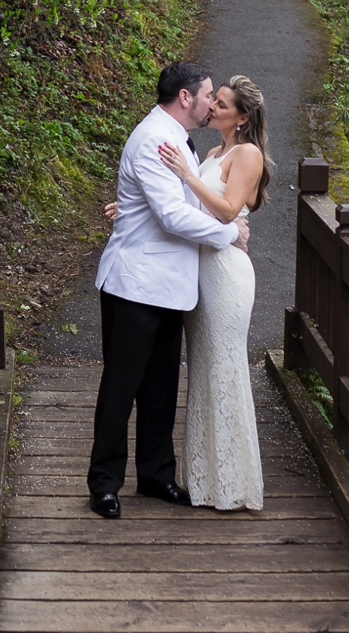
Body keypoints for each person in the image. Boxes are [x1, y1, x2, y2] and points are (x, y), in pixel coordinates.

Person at [87, 62, 250, 520]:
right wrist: (229, 233)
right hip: (135, 284)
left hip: (171, 287)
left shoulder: (180, 140)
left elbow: (181, 200)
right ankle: (104, 483)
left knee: (160, 386)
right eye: (206, 97)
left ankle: (157, 475)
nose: (211, 104)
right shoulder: (154, 138)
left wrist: (131, 202)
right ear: (184, 97)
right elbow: (173, 217)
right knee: (122, 385)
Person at [156, 74, 271, 510]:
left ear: (241, 118)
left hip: (226, 274)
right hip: (199, 271)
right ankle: (204, 480)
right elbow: (185, 207)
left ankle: (235, 483)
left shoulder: (248, 154)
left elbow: (226, 210)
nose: (213, 108)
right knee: (202, 367)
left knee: (225, 366)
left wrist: (187, 173)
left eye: (222, 105)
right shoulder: (210, 152)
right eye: (214, 100)